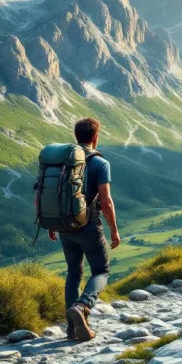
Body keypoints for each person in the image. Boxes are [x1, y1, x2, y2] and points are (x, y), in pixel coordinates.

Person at [50, 118, 121, 341]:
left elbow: (45, 194)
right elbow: (107, 201)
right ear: (95, 137)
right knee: (101, 271)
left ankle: (72, 329)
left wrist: (51, 224)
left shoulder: (61, 162)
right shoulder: (100, 163)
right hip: (89, 226)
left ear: (76, 136)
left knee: (73, 272)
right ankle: (83, 306)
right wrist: (114, 230)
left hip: (64, 226)